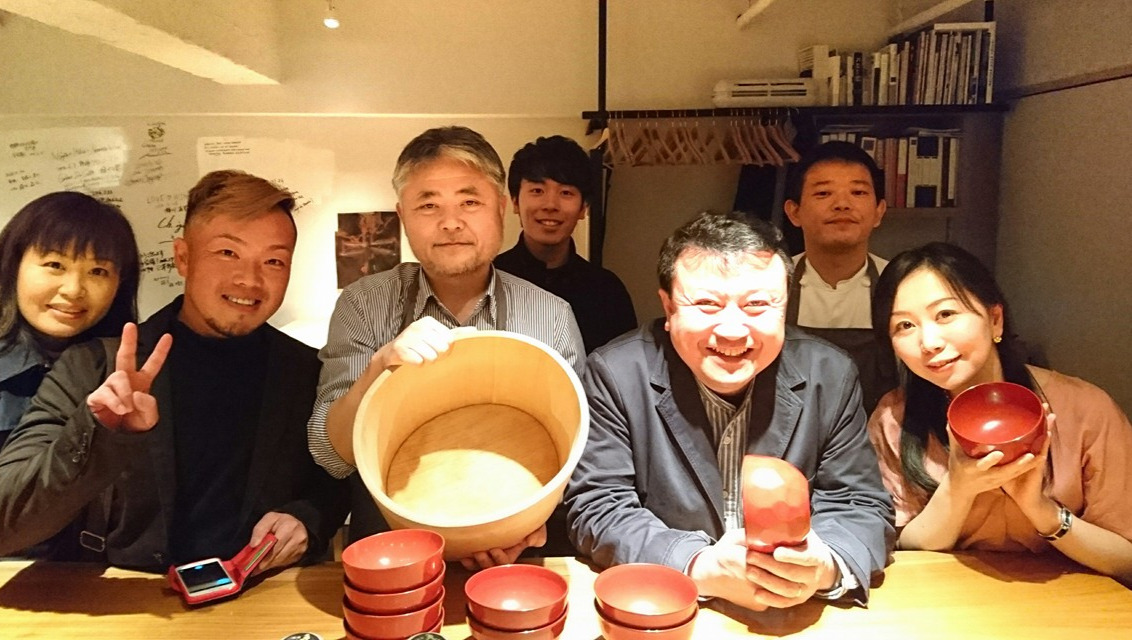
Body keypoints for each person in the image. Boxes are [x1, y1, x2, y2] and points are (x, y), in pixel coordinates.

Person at [0, 170, 348, 572]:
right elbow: (8, 520)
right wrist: (101, 430)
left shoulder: (306, 371)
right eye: (227, 253)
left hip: (259, 593)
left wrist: (307, 518)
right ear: (183, 257)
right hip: (128, 595)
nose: (249, 280)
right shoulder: (94, 366)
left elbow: (334, 477)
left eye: (273, 261)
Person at [565, 211, 894, 611]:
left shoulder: (830, 373)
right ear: (668, 308)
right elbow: (599, 505)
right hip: (672, 609)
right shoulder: (616, 373)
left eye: (757, 305)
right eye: (707, 304)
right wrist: (698, 566)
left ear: (785, 307)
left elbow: (860, 503)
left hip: (796, 612)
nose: (733, 331)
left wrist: (824, 565)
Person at [307, 126, 585, 568]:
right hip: (394, 560)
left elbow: (575, 450)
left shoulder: (550, 314)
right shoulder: (364, 304)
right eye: (428, 204)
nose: (451, 222)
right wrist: (379, 368)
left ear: (501, 207)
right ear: (403, 216)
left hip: (512, 559)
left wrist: (534, 527)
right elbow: (331, 454)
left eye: (469, 202)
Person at [867, 241, 1132, 583]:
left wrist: (1042, 511)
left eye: (945, 314)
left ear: (995, 320)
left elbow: (1126, 559)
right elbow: (904, 551)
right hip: (952, 599)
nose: (929, 342)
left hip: (1070, 602)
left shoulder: (1084, 409)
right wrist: (958, 488)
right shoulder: (893, 420)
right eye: (905, 326)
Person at [0, 192, 140, 452]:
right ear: (13, 265)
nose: (74, 290)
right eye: (55, 265)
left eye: (98, 271)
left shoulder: (130, 373)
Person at [494, 135, 636, 353]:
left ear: (583, 208)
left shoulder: (608, 292)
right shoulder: (490, 281)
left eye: (566, 193)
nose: (550, 205)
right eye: (537, 191)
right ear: (515, 202)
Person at [783, 141, 894, 413]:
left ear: (879, 211)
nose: (842, 204)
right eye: (823, 193)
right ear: (794, 212)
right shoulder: (767, 284)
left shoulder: (902, 284)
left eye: (858, 192)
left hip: (877, 432)